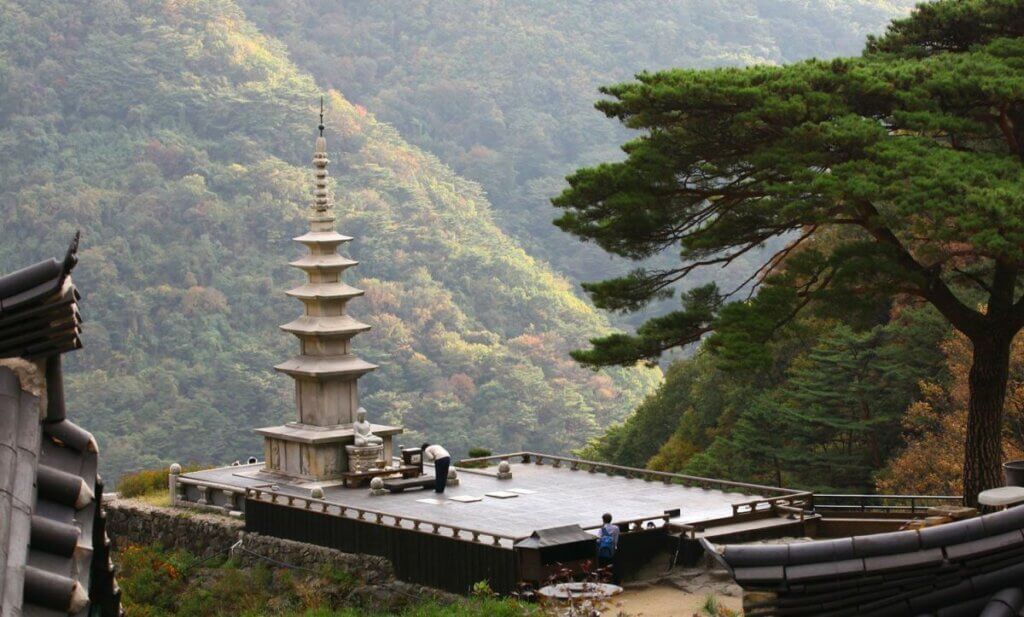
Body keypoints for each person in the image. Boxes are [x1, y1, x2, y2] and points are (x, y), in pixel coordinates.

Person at [596, 512, 620, 584]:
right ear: (611, 520)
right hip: (612, 551)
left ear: (603, 520)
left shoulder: (602, 529)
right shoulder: (616, 528)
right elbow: (616, 540)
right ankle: (614, 582)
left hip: (602, 552)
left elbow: (598, 539)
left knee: (602, 566)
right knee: (612, 566)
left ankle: (603, 581)